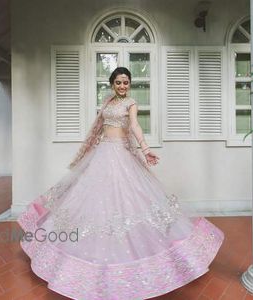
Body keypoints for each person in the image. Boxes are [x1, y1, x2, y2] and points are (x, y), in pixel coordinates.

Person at [17, 67, 224, 300]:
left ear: (130, 84)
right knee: (89, 203)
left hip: (121, 156)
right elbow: (98, 129)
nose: (122, 86)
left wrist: (145, 148)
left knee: (131, 202)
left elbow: (134, 126)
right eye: (118, 82)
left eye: (126, 82)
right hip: (102, 155)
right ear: (112, 84)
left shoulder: (131, 104)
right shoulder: (107, 102)